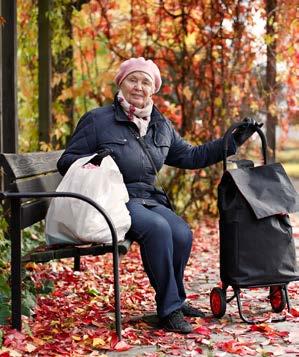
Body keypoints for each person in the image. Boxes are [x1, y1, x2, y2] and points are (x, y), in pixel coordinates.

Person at [57, 57, 258, 334]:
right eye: (133, 80)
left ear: (154, 89)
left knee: (181, 232)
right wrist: (98, 162)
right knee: (158, 229)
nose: (138, 87)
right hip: (115, 198)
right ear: (121, 83)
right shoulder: (98, 120)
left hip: (149, 198)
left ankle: (175, 298)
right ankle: (169, 309)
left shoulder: (159, 124)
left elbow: (190, 155)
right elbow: (67, 160)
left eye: (145, 82)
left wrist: (234, 140)